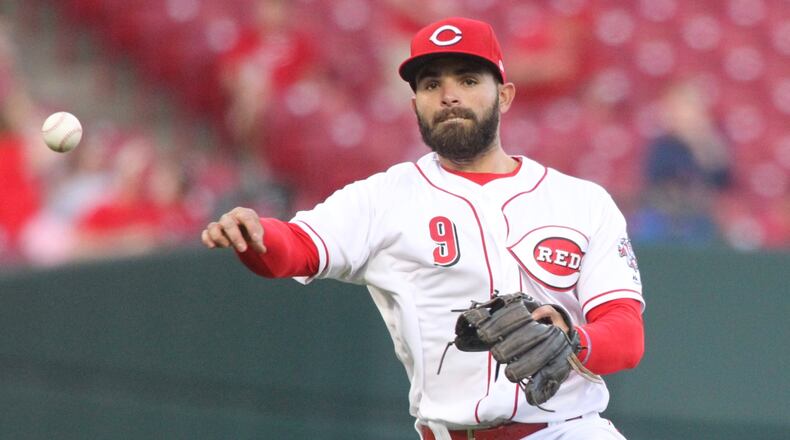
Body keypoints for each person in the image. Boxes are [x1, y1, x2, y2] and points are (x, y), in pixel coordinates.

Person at [201, 17, 645, 440]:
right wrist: (256, 235)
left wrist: (574, 341)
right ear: (416, 105)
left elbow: (626, 334)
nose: (449, 96)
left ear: (504, 95)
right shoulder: (384, 198)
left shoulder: (582, 202)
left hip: (568, 429)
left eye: (468, 81)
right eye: (432, 84)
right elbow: (297, 248)